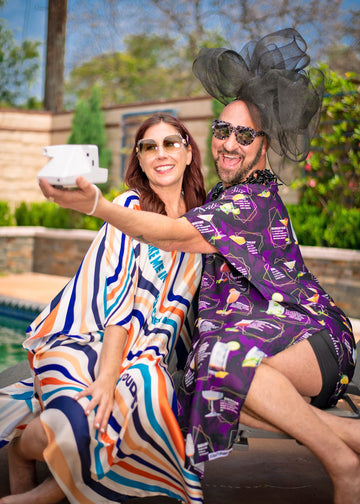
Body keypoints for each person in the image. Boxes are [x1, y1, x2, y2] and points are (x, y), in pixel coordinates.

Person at [38, 29, 360, 504]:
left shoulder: (251, 202)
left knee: (224, 365)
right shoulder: (218, 199)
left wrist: (97, 207)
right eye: (223, 130)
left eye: (244, 135)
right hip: (255, 343)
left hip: (313, 339)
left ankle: (343, 466)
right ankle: (350, 441)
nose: (230, 143)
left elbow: (166, 233)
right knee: (214, 379)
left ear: (263, 146)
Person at [0, 112, 206, 504]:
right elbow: (118, 301)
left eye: (170, 143)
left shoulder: (205, 220)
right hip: (87, 339)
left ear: (188, 152)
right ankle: (26, 454)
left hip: (149, 356)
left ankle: (40, 489)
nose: (160, 153)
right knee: (82, 418)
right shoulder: (127, 207)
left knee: (142, 398)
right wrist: (107, 376)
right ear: (140, 160)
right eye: (149, 147)